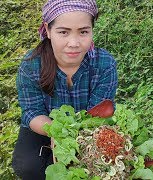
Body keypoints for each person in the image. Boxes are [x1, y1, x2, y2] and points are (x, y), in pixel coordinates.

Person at [12, 0, 118, 179]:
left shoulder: (104, 64)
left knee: (93, 166)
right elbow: (31, 112)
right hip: (43, 126)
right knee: (28, 166)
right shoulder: (31, 65)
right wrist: (58, 133)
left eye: (83, 32)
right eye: (63, 32)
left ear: (92, 30)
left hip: (88, 128)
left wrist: (77, 140)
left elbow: (98, 114)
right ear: (48, 30)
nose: (74, 43)